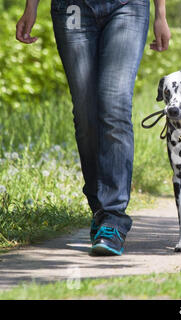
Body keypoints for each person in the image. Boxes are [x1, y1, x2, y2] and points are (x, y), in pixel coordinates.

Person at [16, 0, 171, 256]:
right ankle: (100, 211)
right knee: (86, 112)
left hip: (127, 7)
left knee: (115, 104)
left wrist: (161, 14)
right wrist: (31, 7)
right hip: (73, 8)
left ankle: (113, 218)